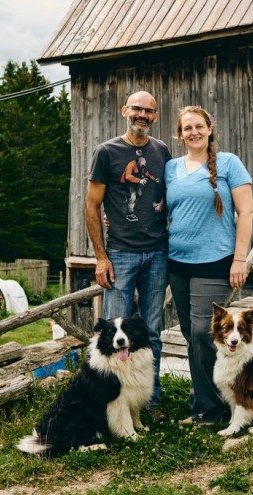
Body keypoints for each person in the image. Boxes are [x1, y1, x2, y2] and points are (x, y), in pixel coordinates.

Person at [165, 105, 253, 425]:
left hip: (215, 261)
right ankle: (204, 403)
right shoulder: (171, 168)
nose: (194, 132)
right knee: (192, 335)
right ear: (180, 134)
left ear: (209, 129)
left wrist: (240, 258)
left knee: (205, 333)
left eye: (199, 126)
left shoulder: (229, 163)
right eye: (187, 128)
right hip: (177, 262)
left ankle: (214, 407)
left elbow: (246, 211)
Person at [85, 91, 171, 422]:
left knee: (151, 332)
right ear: (125, 111)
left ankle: (149, 400)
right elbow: (92, 205)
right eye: (137, 108)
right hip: (120, 253)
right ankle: (111, 402)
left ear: (155, 116)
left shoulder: (161, 150)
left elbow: (168, 195)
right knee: (113, 334)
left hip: (157, 253)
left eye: (149, 111)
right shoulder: (107, 152)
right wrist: (101, 257)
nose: (142, 115)